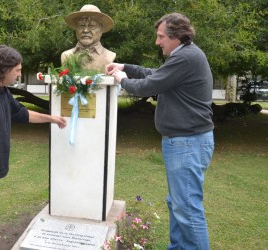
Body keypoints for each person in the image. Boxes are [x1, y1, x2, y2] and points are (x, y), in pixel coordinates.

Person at [106, 13, 214, 250]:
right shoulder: (184, 56)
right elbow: (156, 75)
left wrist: (122, 79)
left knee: (186, 207)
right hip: (186, 142)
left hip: (187, 143)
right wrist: (126, 67)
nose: (157, 42)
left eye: (161, 36)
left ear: (177, 37)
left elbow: (149, 86)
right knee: (178, 203)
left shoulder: (186, 58)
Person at [0, 45, 66, 250]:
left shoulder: (1, 91)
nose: (19, 74)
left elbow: (21, 113)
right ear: (4, 69)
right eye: (17, 70)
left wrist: (51, 118)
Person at [61, 4, 116, 72]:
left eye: (92, 26)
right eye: (81, 25)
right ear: (76, 29)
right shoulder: (66, 56)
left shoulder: (109, 56)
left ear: (101, 30)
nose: (85, 30)